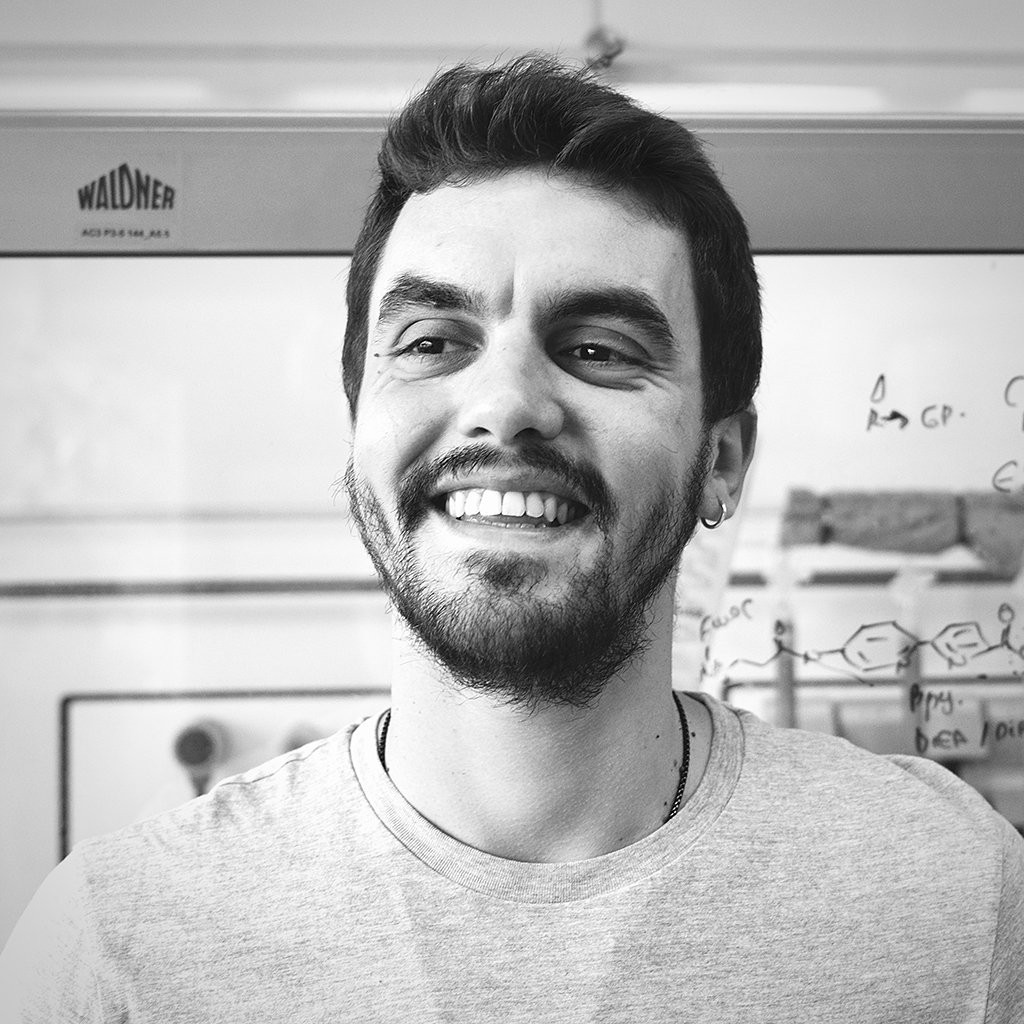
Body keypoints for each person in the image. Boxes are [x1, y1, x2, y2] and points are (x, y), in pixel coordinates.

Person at [2, 55, 1022, 1022]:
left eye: (596, 348)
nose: (504, 404)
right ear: (360, 428)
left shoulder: (954, 902)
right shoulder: (120, 943)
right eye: (432, 342)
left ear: (720, 461)